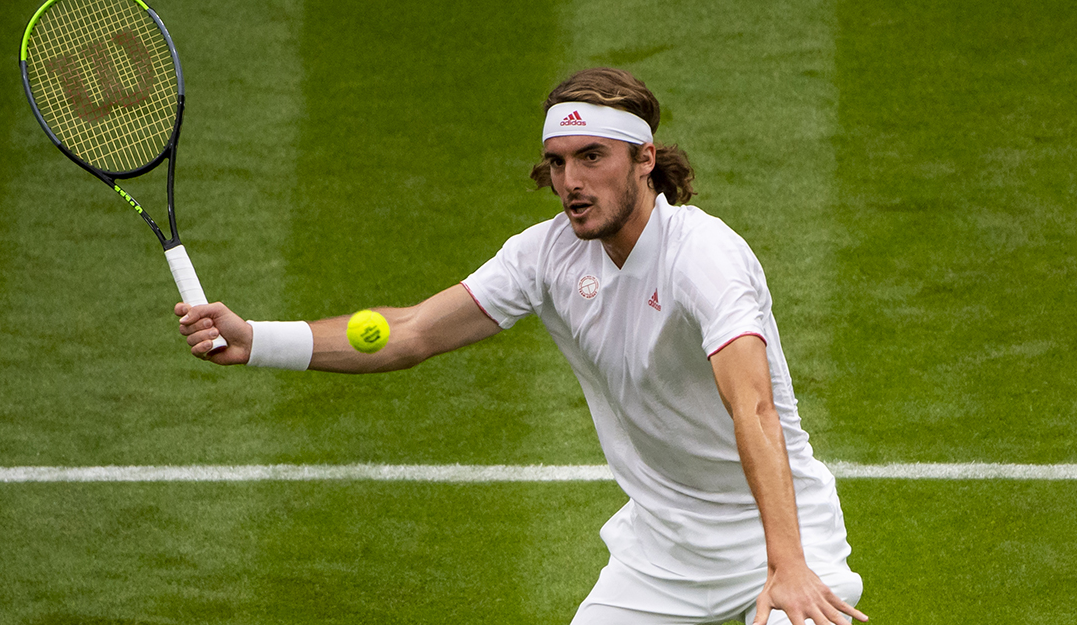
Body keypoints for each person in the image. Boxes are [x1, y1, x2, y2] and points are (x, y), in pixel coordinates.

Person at [176, 67, 866, 625]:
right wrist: (257, 339)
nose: (571, 181)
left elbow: (754, 407)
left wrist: (787, 564)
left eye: (592, 157)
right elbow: (412, 331)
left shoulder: (705, 257)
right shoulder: (544, 258)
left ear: (644, 159)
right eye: (559, 161)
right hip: (665, 547)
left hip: (781, 527)